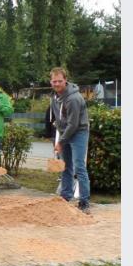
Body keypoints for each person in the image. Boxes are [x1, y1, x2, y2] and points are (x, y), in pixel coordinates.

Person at [49, 67, 91, 214]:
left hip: (78, 132)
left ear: (65, 80)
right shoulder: (54, 96)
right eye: (54, 81)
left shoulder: (73, 98)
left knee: (79, 166)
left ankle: (84, 202)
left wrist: (61, 142)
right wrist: (59, 133)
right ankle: (65, 197)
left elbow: (73, 124)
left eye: (60, 81)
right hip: (65, 132)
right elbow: (59, 119)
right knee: (66, 166)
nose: (57, 84)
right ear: (51, 81)